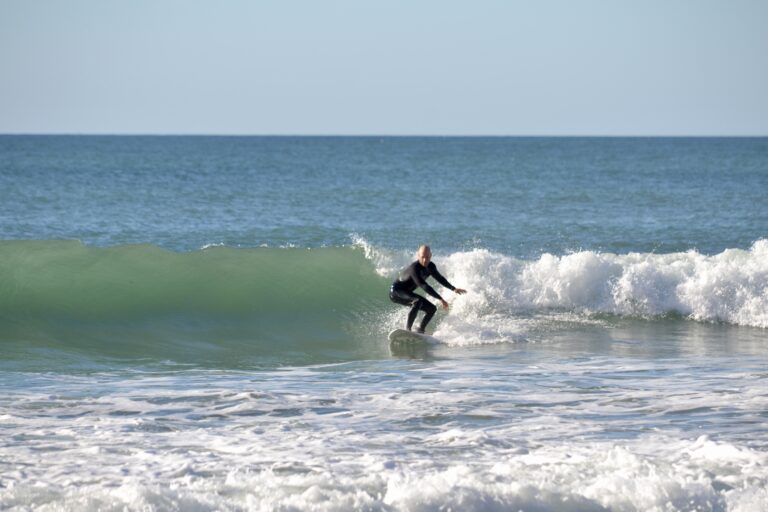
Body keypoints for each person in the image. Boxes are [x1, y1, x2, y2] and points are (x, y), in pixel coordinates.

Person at [389, 245, 467, 333]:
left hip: (407, 292)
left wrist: (453, 289)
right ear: (418, 256)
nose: (425, 260)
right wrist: (440, 298)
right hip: (396, 291)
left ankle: (420, 330)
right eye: (422, 257)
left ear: (431, 256)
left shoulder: (431, 266)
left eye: (427, 257)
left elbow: (440, 278)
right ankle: (408, 330)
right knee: (417, 301)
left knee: (432, 309)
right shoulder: (414, 268)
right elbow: (423, 285)